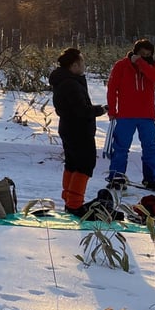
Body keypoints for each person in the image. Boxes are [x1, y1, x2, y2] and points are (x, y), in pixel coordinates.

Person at [49, 47, 108, 216]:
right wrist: (100, 110)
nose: (84, 65)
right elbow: (81, 110)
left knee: (73, 164)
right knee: (84, 165)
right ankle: (74, 205)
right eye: (82, 62)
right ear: (74, 65)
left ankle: (70, 200)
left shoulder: (66, 80)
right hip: (78, 129)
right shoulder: (70, 83)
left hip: (69, 128)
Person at [105, 38, 155, 191]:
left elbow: (154, 77)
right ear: (135, 51)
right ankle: (117, 177)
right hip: (125, 114)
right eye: (141, 53)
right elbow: (112, 88)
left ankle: (151, 179)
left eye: (148, 54)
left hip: (147, 115)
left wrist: (140, 63)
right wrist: (112, 110)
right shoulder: (121, 65)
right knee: (120, 147)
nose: (145, 56)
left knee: (151, 147)